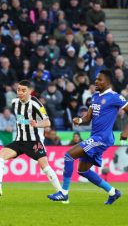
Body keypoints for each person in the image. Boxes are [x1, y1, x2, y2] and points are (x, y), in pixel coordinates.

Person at [48, 70, 128, 204]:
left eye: (100, 79)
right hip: (95, 136)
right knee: (83, 170)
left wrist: (126, 131)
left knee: (68, 155)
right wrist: (79, 120)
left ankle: (64, 193)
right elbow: (88, 117)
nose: (96, 81)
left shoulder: (115, 97)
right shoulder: (95, 96)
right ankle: (113, 192)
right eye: (96, 79)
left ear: (108, 82)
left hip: (102, 138)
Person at [0, 80, 62, 197]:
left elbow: (47, 122)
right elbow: (22, 120)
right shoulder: (15, 103)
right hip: (20, 140)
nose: (20, 92)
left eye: (23, 90)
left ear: (30, 91)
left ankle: (61, 193)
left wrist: (37, 124)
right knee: (0, 156)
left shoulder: (36, 104)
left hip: (34, 141)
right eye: (18, 90)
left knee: (45, 166)